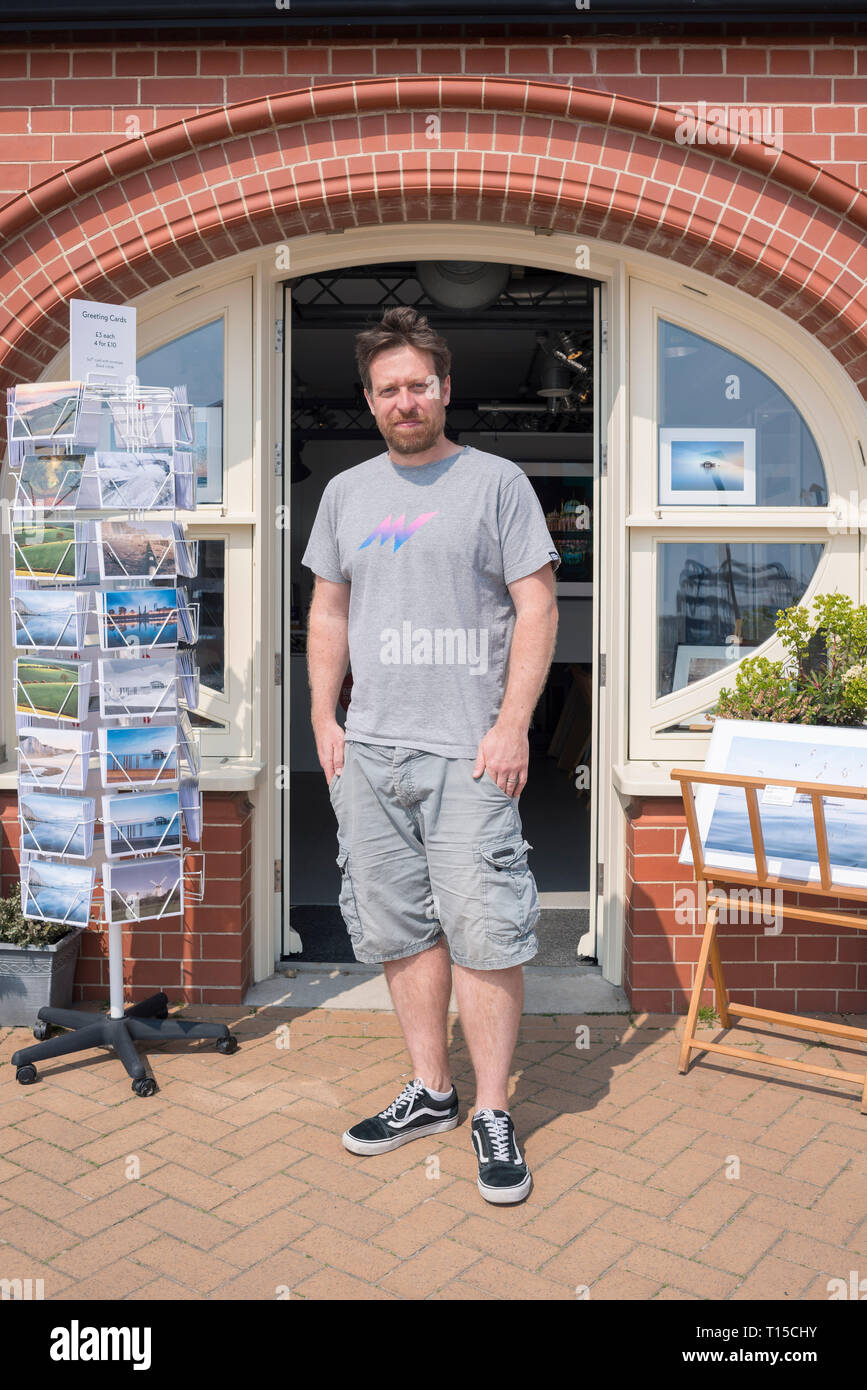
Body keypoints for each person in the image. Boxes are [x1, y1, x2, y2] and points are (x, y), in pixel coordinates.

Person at [301, 306, 560, 1204]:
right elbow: (328, 611)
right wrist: (324, 719)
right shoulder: (346, 493)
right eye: (387, 389)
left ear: (444, 389)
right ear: (368, 402)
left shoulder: (495, 483)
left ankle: (493, 1109)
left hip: (467, 754)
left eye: (418, 385)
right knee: (399, 930)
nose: (404, 401)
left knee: (485, 933)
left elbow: (537, 606)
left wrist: (513, 723)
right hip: (369, 750)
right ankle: (432, 1093)